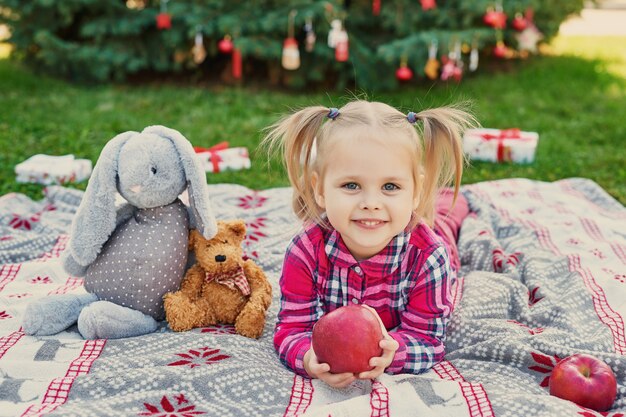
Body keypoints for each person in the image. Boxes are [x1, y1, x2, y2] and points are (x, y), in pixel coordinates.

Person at [263, 100, 476, 388]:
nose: (371, 204)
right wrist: (308, 358)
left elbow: (427, 338)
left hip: (428, 239)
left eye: (390, 187)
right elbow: (292, 329)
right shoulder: (304, 252)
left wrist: (392, 351)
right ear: (320, 189)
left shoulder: (430, 257)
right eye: (351, 185)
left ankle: (457, 202)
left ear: (415, 192)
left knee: (447, 224)